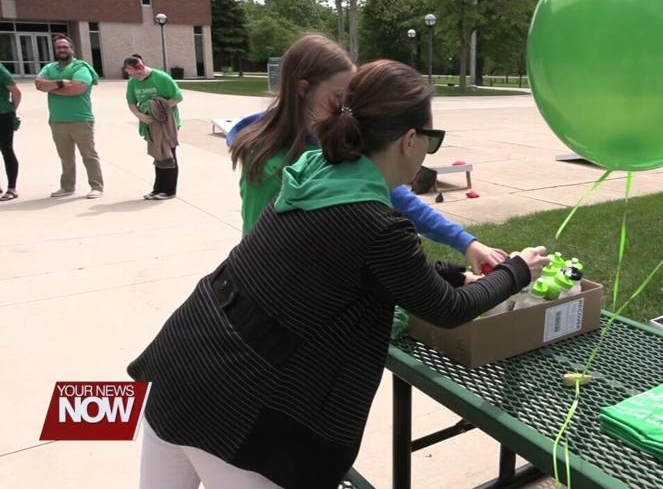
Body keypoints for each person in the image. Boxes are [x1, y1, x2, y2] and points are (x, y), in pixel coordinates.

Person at [128, 59, 551, 488]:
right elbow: (446, 309)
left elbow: (364, 269)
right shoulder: (374, 223)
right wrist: (518, 270)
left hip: (180, 367)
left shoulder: (314, 173)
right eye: (432, 140)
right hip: (236, 412)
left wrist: (456, 272)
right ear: (409, 140)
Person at [229, 34, 505, 273]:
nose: (349, 110)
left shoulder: (337, 142)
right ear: (303, 90)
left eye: (352, 99)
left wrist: (466, 242)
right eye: (340, 98)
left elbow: (395, 196)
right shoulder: (269, 165)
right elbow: (261, 258)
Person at [35, 35, 103, 199]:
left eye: (65, 47)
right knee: (65, 157)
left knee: (88, 155)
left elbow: (78, 89)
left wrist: (50, 87)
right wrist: (60, 83)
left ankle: (96, 186)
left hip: (80, 119)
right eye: (59, 47)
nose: (62, 50)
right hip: (57, 120)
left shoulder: (81, 67)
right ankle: (67, 187)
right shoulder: (50, 68)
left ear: (72, 49)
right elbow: (38, 84)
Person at [123, 55, 184, 200]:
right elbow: (131, 102)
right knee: (157, 155)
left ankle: (169, 190)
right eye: (133, 72)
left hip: (166, 124)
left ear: (143, 65)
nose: (138, 74)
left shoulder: (161, 77)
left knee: (168, 155)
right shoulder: (132, 82)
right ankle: (158, 189)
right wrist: (140, 115)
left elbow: (178, 97)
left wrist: (158, 108)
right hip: (149, 124)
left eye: (140, 69)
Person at [0, 63, 20, 201]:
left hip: (3, 114)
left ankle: (11, 188)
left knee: (6, 149)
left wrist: (12, 110)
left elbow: (16, 92)